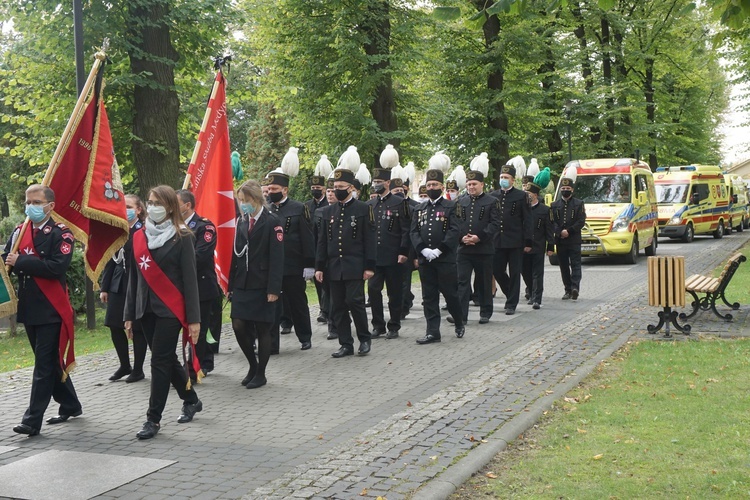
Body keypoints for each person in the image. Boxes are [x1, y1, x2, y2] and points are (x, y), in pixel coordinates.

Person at [125, 185, 202, 439]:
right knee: (166, 359)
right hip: (145, 308)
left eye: (157, 202)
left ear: (170, 206)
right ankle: (191, 399)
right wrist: (128, 314)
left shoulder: (183, 236)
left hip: (170, 309)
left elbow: (190, 281)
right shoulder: (138, 236)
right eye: (149, 202)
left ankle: (153, 420)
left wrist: (194, 319)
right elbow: (134, 279)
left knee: (158, 361)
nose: (152, 206)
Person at [4, 184, 83, 436]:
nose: (31, 207)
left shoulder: (61, 233)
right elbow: (8, 259)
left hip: (51, 307)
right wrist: (10, 261)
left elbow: (56, 267)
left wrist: (22, 262)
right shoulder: (20, 231)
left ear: (50, 206)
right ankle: (70, 404)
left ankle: (31, 420)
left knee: (43, 366)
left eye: (36, 202)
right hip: (29, 307)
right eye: (28, 202)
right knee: (50, 362)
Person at [229, 180, 285, 388]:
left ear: (256, 199)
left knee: (263, 329)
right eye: (240, 200)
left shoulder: (272, 221)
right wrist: (230, 285)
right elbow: (235, 256)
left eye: (245, 200)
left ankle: (261, 372)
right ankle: (252, 364)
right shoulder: (241, 221)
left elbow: (277, 257)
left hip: (262, 284)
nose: (242, 204)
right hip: (243, 283)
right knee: (238, 324)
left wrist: (273, 288)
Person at [315, 167, 376, 358]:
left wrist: (369, 266)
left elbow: (370, 240)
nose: (336, 190)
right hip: (334, 266)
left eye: (341, 187)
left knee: (355, 302)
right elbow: (323, 241)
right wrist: (319, 266)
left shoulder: (363, 209)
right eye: (334, 187)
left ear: (350, 188)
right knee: (337, 306)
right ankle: (345, 343)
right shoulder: (328, 211)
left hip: (355, 265)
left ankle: (364, 339)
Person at [411, 167, 465, 344]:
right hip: (426, 259)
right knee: (429, 297)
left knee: (450, 294)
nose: (431, 187)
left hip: (445, 259)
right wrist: (423, 250)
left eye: (435, 184)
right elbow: (414, 232)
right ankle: (433, 331)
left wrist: (439, 249)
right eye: (428, 184)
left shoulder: (451, 206)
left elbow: (454, 230)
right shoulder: (419, 209)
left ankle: (458, 321)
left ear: (442, 187)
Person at [266, 171, 316, 351]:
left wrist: (309, 264)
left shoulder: (298, 208)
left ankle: (305, 336)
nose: (271, 192)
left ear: (285, 190)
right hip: (272, 266)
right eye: (269, 188)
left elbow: (307, 238)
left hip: (292, 264)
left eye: (275, 188)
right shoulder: (267, 209)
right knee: (272, 304)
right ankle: (272, 343)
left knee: (297, 302)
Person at [100, 194, 147, 383]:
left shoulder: (142, 230)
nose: (125, 210)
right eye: (122, 206)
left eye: (129, 206)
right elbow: (110, 261)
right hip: (118, 283)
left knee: (137, 327)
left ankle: (138, 369)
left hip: (136, 284)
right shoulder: (117, 231)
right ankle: (124, 364)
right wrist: (105, 287)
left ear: (138, 210)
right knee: (114, 324)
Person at [175, 190, 220, 380]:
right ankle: (189, 364)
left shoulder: (204, 226)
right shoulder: (172, 226)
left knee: (199, 329)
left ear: (187, 205)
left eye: (176, 203)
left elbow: (200, 256)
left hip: (201, 286)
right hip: (179, 287)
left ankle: (198, 366)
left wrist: (174, 262)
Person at [367, 167, 411, 339]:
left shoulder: (400, 203)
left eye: (379, 182)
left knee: (394, 293)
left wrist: (403, 251)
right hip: (375, 257)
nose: (376, 185)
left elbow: (406, 230)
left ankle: (394, 325)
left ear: (387, 183)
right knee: (373, 291)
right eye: (375, 182)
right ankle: (378, 325)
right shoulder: (370, 205)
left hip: (394, 256)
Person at [456, 170, 500, 325]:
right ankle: (461, 315)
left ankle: (485, 312)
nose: (471, 187)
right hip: (464, 249)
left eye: (474, 184)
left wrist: (479, 237)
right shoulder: (461, 201)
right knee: (462, 282)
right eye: (468, 184)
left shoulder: (492, 201)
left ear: (482, 184)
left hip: (483, 249)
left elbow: (495, 224)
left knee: (484, 282)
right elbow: (456, 223)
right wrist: (462, 238)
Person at [490, 163, 533, 315]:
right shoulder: (493, 196)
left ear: (513, 180)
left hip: (515, 241)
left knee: (515, 272)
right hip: (497, 241)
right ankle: (511, 294)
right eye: (502, 177)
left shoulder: (521, 196)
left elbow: (527, 220)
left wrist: (528, 241)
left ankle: (511, 304)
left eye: (506, 177)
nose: (503, 180)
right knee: (497, 270)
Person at [522, 170, 555, 309]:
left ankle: (537, 298)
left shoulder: (545, 210)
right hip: (523, 246)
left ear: (535, 195)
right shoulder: (522, 209)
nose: (527, 197)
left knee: (537, 273)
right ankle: (530, 291)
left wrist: (550, 247)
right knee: (525, 272)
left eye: (529, 195)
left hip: (538, 245)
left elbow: (549, 229)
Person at [551, 174, 586, 300]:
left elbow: (581, 221)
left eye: (568, 188)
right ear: (560, 189)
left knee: (576, 264)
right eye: (563, 188)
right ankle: (567, 289)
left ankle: (575, 287)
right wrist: (560, 231)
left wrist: (569, 231)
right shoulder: (554, 205)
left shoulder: (579, 203)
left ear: (572, 189)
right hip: (560, 240)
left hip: (574, 239)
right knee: (564, 266)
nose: (565, 190)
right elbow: (552, 221)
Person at [305, 175, 330, 325]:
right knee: (319, 283)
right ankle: (323, 308)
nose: (315, 190)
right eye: (313, 188)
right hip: (314, 249)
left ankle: (327, 310)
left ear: (324, 189)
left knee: (328, 283)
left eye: (318, 188)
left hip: (328, 248)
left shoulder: (329, 203)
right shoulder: (307, 206)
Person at [392, 178, 417, 319]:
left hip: (407, 251)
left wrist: (415, 256)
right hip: (390, 252)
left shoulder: (412, 209)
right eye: (396, 191)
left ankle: (403, 308)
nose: (400, 193)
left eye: (402, 190)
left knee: (404, 282)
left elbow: (412, 233)